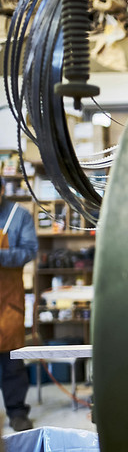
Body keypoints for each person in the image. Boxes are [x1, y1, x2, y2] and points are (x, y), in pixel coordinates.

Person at [0, 176, 37, 431]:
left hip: (7, 302)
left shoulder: (19, 215)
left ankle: (17, 412)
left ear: (1, 190)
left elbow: (30, 250)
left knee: (12, 360)